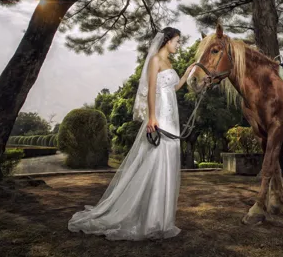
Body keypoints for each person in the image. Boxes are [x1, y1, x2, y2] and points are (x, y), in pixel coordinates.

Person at [68, 27, 195, 241]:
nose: (178, 45)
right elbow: (152, 90)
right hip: (161, 115)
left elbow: (172, 88)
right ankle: (150, 220)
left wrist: (188, 72)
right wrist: (152, 117)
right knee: (156, 160)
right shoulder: (155, 60)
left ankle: (162, 220)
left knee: (168, 160)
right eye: (177, 41)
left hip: (171, 115)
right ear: (166, 41)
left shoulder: (170, 63)